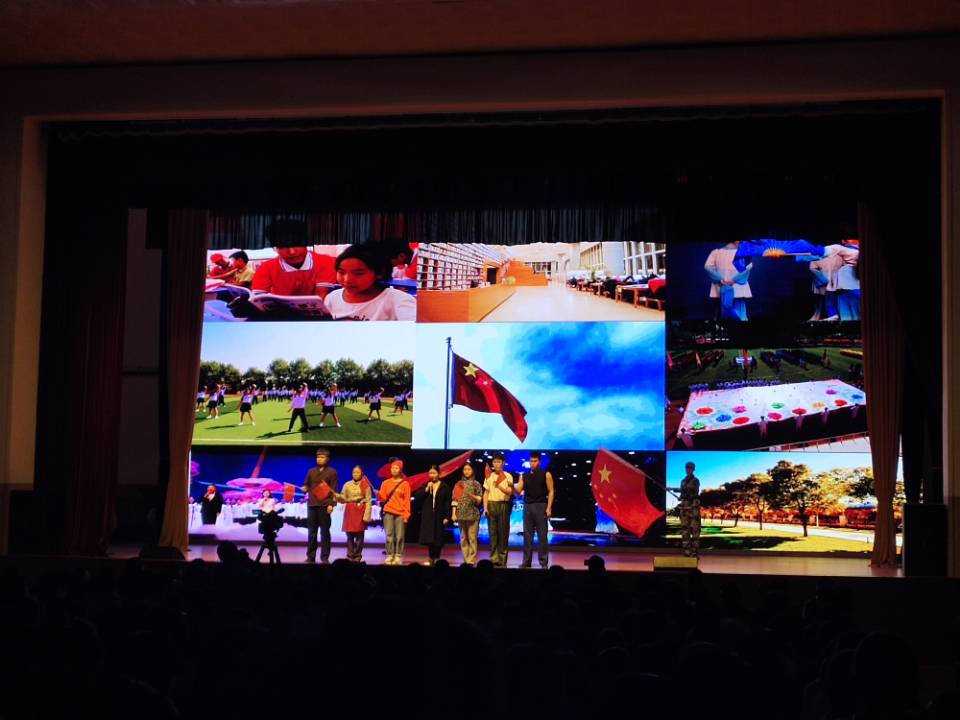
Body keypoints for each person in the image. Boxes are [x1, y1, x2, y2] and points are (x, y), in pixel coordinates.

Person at [324, 243, 416, 321]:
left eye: (358, 274)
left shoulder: (398, 300)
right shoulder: (332, 298)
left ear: (379, 273)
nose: (347, 279)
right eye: (341, 272)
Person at [251, 243, 337, 298]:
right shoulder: (265, 268)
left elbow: (320, 297)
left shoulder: (326, 262)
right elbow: (258, 298)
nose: (292, 252)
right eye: (283, 246)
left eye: (297, 243)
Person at [515, 451, 554, 569]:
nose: (532, 463)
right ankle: (526, 561)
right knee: (527, 536)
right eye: (531, 461)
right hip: (527, 506)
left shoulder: (546, 474)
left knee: (542, 536)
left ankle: (543, 562)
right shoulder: (524, 475)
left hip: (541, 505)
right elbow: (518, 491)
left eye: (535, 461)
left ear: (539, 462)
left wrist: (548, 508)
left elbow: (551, 491)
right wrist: (512, 486)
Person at [302, 448, 339, 564]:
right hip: (312, 505)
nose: (319, 459)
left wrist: (331, 504)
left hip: (324, 505)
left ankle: (324, 557)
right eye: (318, 457)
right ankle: (310, 557)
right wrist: (305, 488)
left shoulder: (332, 472)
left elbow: (334, 490)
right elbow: (306, 485)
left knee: (325, 532)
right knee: (311, 532)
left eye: (322, 457)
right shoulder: (311, 471)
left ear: (327, 459)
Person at [704, 240, 753, 321]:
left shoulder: (716, 253)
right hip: (737, 290)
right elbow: (748, 268)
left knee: (721, 314)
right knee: (739, 315)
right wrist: (734, 280)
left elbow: (708, 267)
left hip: (722, 288)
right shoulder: (744, 253)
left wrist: (720, 280)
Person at [483, 453, 514, 567]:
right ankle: (493, 558)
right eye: (495, 462)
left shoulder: (508, 476)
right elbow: (486, 493)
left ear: (503, 463)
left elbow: (509, 492)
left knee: (503, 533)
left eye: (499, 462)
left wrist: (499, 486)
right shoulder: (489, 476)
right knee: (493, 534)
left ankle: (502, 559)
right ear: (492, 463)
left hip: (503, 505)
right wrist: (485, 508)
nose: (496, 464)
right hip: (491, 505)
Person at [416, 465, 452, 565]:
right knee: (430, 538)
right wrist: (427, 488)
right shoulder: (425, 485)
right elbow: (417, 497)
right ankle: (431, 558)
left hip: (439, 515)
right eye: (430, 473)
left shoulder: (444, 486)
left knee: (438, 538)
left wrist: (447, 516)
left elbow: (447, 503)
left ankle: (436, 557)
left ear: (438, 474)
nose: (432, 475)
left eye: (434, 473)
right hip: (428, 515)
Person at [336, 465, 372, 562]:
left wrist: (367, 515)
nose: (355, 474)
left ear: (362, 473)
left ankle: (357, 555)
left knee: (360, 536)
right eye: (354, 472)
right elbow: (343, 498)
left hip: (360, 510)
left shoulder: (365, 485)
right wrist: (336, 496)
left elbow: (368, 501)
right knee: (349, 535)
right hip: (350, 510)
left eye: (357, 472)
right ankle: (350, 555)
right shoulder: (347, 485)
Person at [378, 460, 411, 565]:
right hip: (388, 511)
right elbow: (383, 498)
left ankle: (398, 555)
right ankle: (389, 555)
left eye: (396, 468)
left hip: (400, 513)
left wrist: (407, 514)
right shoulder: (385, 483)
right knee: (389, 535)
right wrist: (378, 495)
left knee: (400, 536)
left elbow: (407, 501)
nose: (394, 470)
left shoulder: (405, 484)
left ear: (400, 470)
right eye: (392, 468)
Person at [452, 462, 483, 565]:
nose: (466, 471)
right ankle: (466, 559)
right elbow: (454, 499)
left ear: (472, 471)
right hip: (461, 514)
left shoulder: (476, 484)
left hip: (473, 515)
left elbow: (479, 500)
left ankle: (472, 560)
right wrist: (453, 514)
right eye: (465, 469)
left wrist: (473, 497)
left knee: (472, 538)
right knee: (463, 538)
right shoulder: (459, 484)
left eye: (469, 469)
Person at [671, 462, 701, 558]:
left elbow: (692, 492)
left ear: (693, 469)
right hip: (684, 509)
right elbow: (682, 494)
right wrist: (680, 497)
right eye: (687, 468)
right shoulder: (683, 481)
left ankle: (694, 553)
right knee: (685, 531)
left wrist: (674, 489)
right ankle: (687, 552)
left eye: (690, 468)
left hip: (693, 509)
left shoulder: (696, 481)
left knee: (695, 531)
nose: (688, 469)